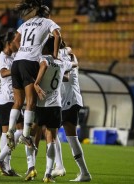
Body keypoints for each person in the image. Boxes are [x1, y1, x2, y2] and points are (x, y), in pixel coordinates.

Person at [6, 0, 61, 153]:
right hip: (30, 62)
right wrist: (55, 55)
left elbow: (15, 41)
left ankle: (10, 131)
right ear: (47, 14)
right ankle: (24, 135)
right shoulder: (48, 22)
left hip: (17, 62)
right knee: (31, 101)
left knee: (17, 101)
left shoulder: (27, 23)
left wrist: (22, 51)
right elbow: (57, 36)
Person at [33, 36, 77, 182]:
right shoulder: (63, 62)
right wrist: (71, 56)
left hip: (41, 104)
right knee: (51, 139)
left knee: (35, 135)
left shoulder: (43, 59)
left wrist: (36, 84)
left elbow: (41, 66)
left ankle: (30, 167)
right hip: (56, 105)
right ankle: (48, 174)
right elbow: (75, 64)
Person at [51, 42, 92, 182]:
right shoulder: (67, 54)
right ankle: (83, 172)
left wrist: (50, 75)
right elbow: (68, 50)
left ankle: (61, 166)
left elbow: (66, 77)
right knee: (64, 136)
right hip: (70, 100)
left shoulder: (63, 56)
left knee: (53, 133)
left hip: (68, 101)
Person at [0, 31, 23, 177]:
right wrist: (17, 70)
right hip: (6, 99)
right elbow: (3, 73)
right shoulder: (3, 57)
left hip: (13, 99)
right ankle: (4, 162)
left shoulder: (14, 55)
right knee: (17, 131)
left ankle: (4, 164)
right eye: (16, 42)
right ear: (9, 43)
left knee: (13, 132)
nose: (19, 44)